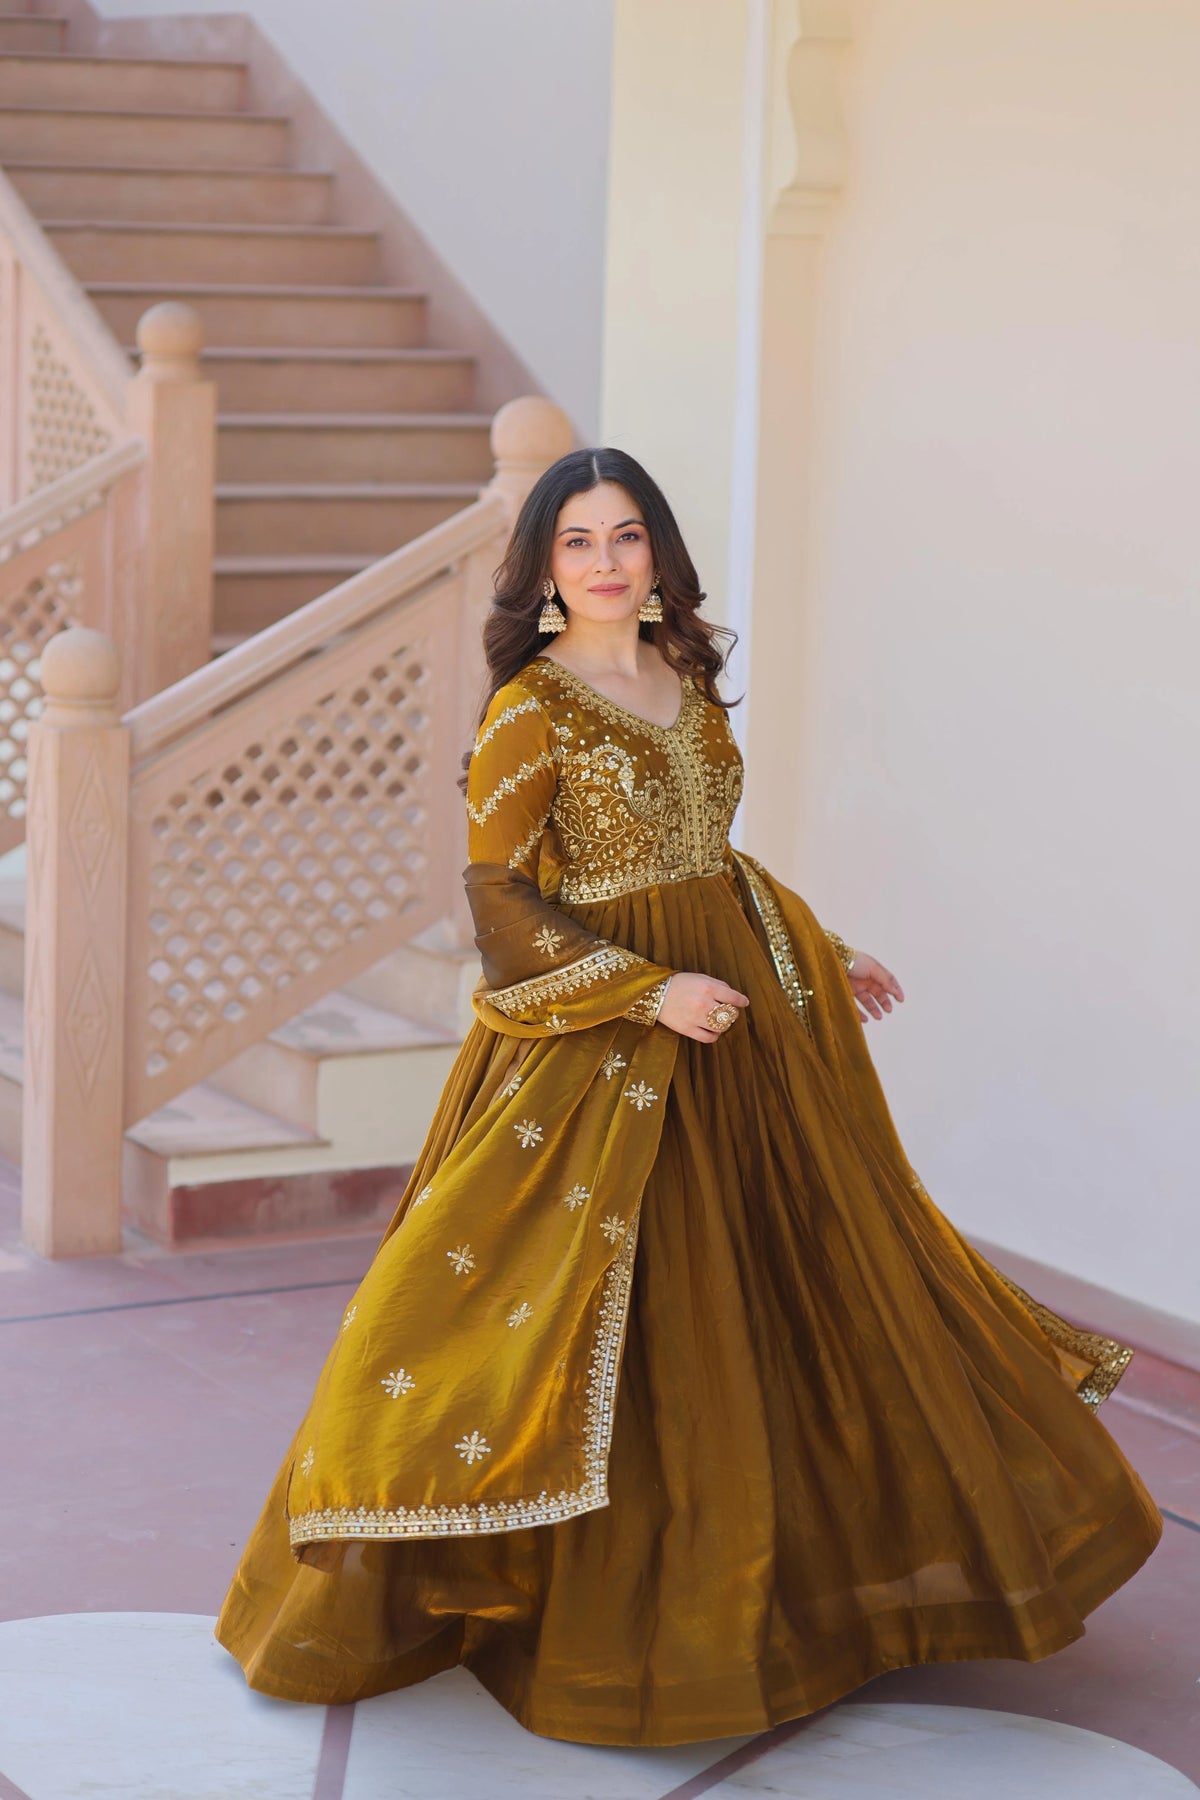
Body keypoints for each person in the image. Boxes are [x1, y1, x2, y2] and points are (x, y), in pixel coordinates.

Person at [217, 448, 1161, 1746]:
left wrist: (818, 949)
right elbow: (497, 900)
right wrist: (644, 992)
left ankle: (794, 1602)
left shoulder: (688, 677)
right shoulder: (529, 709)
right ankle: (590, 1617)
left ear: (658, 550)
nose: (606, 563)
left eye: (626, 537)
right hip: (607, 1037)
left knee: (782, 1286)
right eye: (577, 544)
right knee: (574, 1311)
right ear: (544, 571)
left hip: (742, 1028)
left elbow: (705, 854)